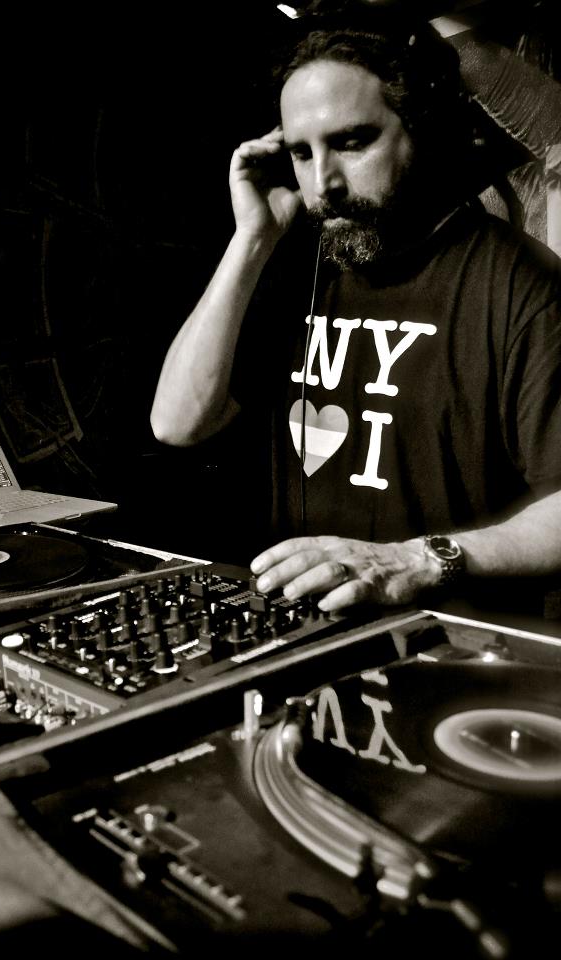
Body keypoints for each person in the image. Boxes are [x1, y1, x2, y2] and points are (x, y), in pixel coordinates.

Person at [150, 3, 561, 615]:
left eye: (351, 142)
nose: (324, 183)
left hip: (445, 650)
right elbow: (177, 423)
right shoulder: (294, 270)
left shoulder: (519, 284)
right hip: (304, 637)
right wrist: (252, 239)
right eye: (301, 153)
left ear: (424, 128)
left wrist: (416, 560)